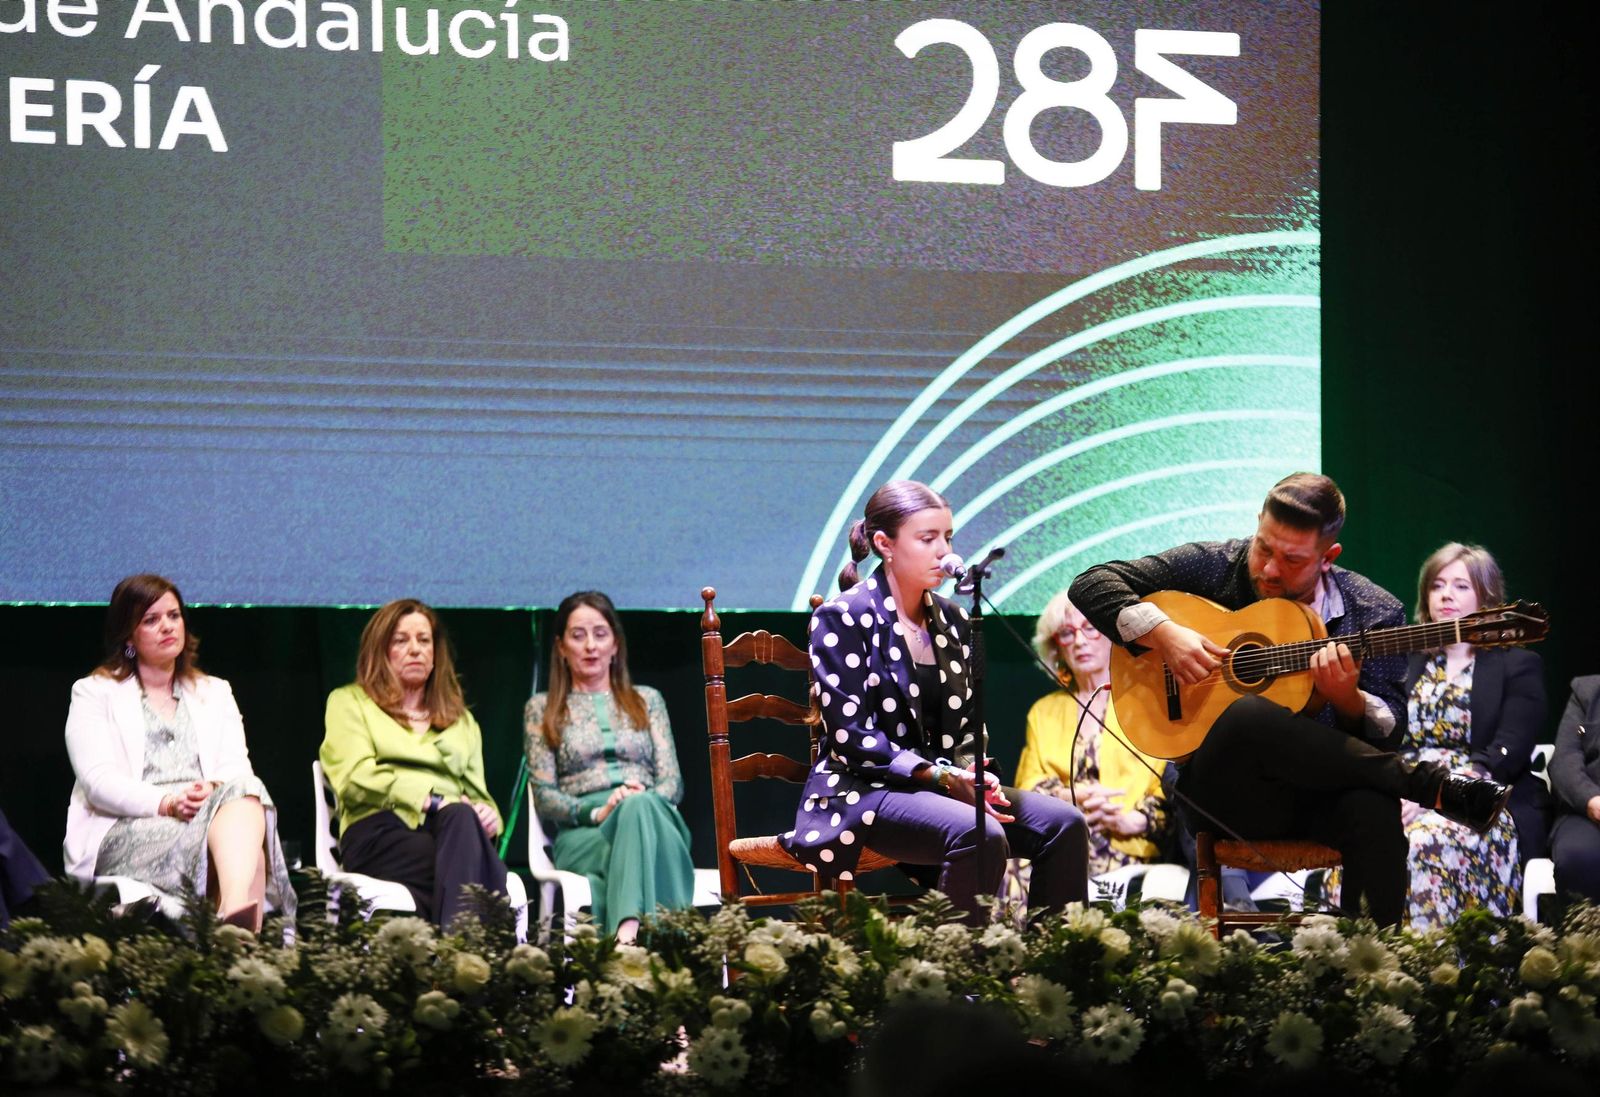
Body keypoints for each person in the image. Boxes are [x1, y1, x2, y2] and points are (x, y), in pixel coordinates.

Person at [1068, 472, 1511, 927]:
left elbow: (1391, 728)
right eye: (1264, 547)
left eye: (1292, 559)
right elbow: (1090, 584)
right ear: (1258, 523)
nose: (1269, 569)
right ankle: (1424, 783)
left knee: (1375, 809)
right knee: (1247, 715)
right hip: (1223, 795)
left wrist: (1348, 700)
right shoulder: (1215, 566)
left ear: (1328, 556)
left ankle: (1373, 974)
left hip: (1318, 800)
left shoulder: (1374, 611)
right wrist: (1165, 636)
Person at [781, 480, 1088, 924]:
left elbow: (966, 724)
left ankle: (1053, 971)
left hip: (938, 785)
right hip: (863, 791)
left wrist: (972, 772)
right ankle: (961, 979)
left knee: (1063, 824)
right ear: (884, 544)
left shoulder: (953, 618)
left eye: (948, 537)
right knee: (979, 832)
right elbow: (852, 740)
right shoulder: (843, 616)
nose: (944, 552)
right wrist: (941, 778)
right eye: (927, 539)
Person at [63, 574, 294, 931]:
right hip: (129, 829)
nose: (167, 627)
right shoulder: (94, 693)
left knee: (246, 794)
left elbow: (236, 768)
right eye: (151, 620)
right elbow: (98, 782)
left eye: (174, 616)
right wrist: (168, 802)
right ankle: (235, 936)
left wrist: (212, 787)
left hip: (208, 818)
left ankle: (231, 924)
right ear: (129, 636)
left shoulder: (214, 691)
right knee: (248, 851)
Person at [319, 599, 508, 927]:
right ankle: (468, 958)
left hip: (451, 833)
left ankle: (450, 958)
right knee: (482, 870)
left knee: (464, 821)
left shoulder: (462, 721)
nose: (415, 649)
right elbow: (354, 777)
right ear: (380, 650)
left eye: (424, 640)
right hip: (379, 832)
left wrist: (490, 816)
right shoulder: (350, 702)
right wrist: (431, 800)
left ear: (436, 653)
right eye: (401, 640)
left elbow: (479, 796)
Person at [523, 591, 695, 942]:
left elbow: (672, 782)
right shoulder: (541, 708)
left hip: (655, 817)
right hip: (586, 834)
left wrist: (638, 799)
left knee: (640, 808)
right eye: (578, 635)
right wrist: (598, 811)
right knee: (636, 819)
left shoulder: (647, 700)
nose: (590, 646)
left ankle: (624, 940)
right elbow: (544, 796)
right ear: (560, 646)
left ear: (615, 644)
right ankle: (665, 951)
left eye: (600, 634)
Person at [1395, 543, 1545, 928]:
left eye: (1461, 586)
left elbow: (1507, 752)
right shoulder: (1407, 659)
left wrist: (1438, 794)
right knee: (1368, 833)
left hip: (1479, 796)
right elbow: (1386, 737)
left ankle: (1438, 972)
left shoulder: (1518, 664)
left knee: (1423, 841)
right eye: (1438, 585)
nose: (1446, 594)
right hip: (1404, 790)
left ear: (1486, 597)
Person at [1015, 591, 1167, 878]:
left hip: (1127, 843)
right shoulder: (1043, 712)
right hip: (1061, 838)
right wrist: (1073, 798)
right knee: (1015, 866)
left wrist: (1128, 821)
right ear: (1056, 648)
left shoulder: (1148, 702)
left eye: (1090, 628)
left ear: (1112, 634)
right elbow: (1027, 786)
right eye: (1066, 633)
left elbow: (1167, 789)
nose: (1080, 641)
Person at [1549, 675, 1600, 902]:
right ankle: (1585, 937)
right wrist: (1591, 800)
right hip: (1589, 810)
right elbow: (1564, 759)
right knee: (1577, 858)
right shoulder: (1587, 691)